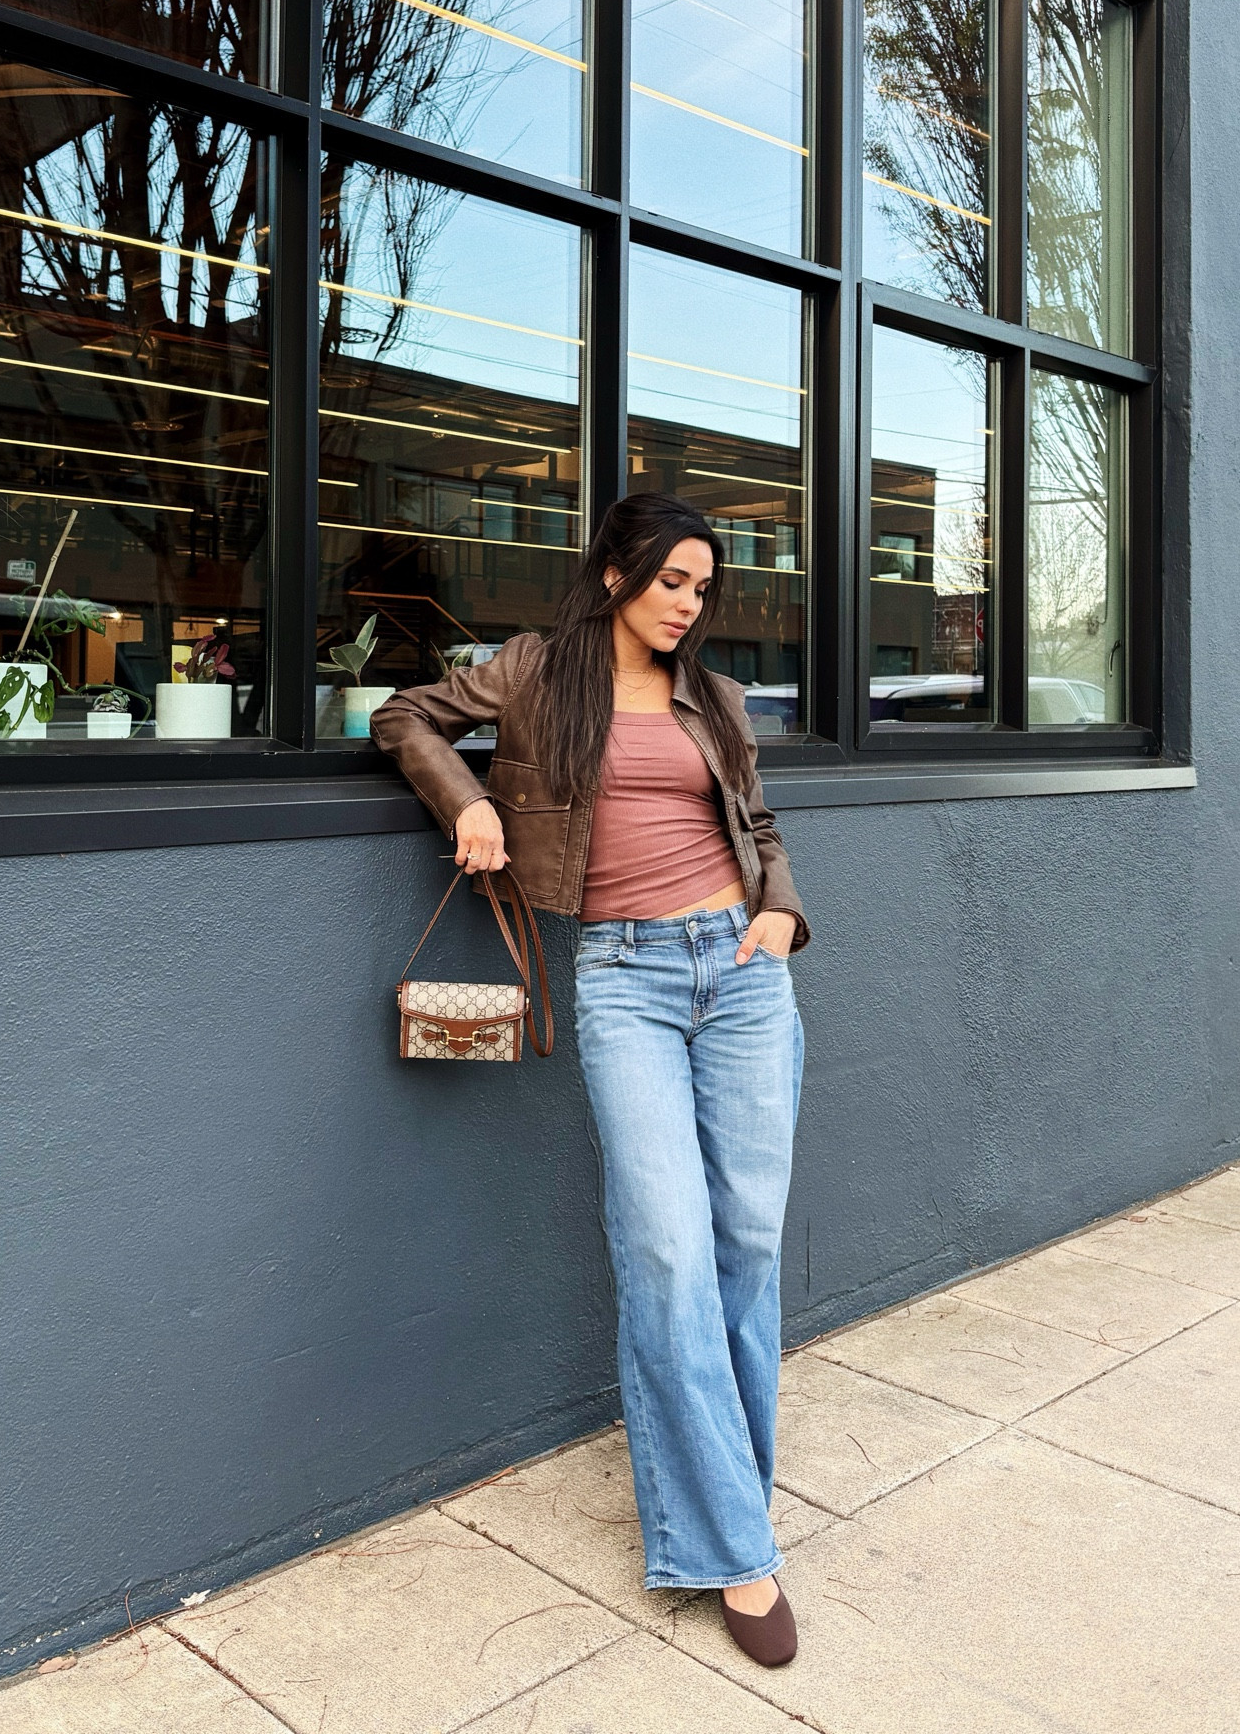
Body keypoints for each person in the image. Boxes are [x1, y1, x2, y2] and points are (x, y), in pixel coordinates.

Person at [372, 493, 808, 1667]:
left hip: (743, 972)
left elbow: (757, 821)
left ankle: (729, 1508)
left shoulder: (713, 698)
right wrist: (466, 799)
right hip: (623, 976)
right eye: (672, 580)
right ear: (615, 572)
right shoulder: (534, 669)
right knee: (665, 1246)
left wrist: (777, 910)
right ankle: (738, 1547)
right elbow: (403, 713)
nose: (688, 604)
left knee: (746, 1243)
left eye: (701, 587)